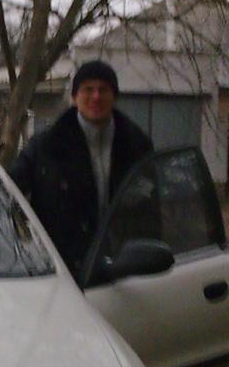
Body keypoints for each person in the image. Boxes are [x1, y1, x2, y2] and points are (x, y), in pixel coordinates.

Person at [11, 60, 152, 280]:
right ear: (75, 97)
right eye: (88, 89)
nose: (96, 96)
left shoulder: (138, 146)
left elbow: (151, 212)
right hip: (61, 274)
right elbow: (10, 192)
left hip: (124, 273)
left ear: (114, 96)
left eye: (103, 90)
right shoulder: (45, 147)